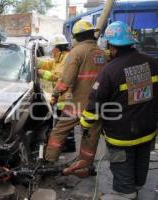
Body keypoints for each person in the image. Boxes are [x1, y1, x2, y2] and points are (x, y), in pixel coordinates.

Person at [64, 21, 158, 199]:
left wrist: (84, 122)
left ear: (110, 45)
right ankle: (138, 185)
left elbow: (95, 105)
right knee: (141, 159)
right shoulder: (152, 63)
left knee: (122, 165)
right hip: (147, 130)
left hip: (121, 135)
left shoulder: (110, 71)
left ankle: (126, 193)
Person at [44, 20, 106, 172]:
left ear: (77, 36)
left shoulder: (76, 52)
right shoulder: (102, 53)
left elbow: (66, 80)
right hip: (97, 107)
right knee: (90, 137)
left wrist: (55, 96)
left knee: (59, 131)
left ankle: (49, 161)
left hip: (77, 105)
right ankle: (85, 166)